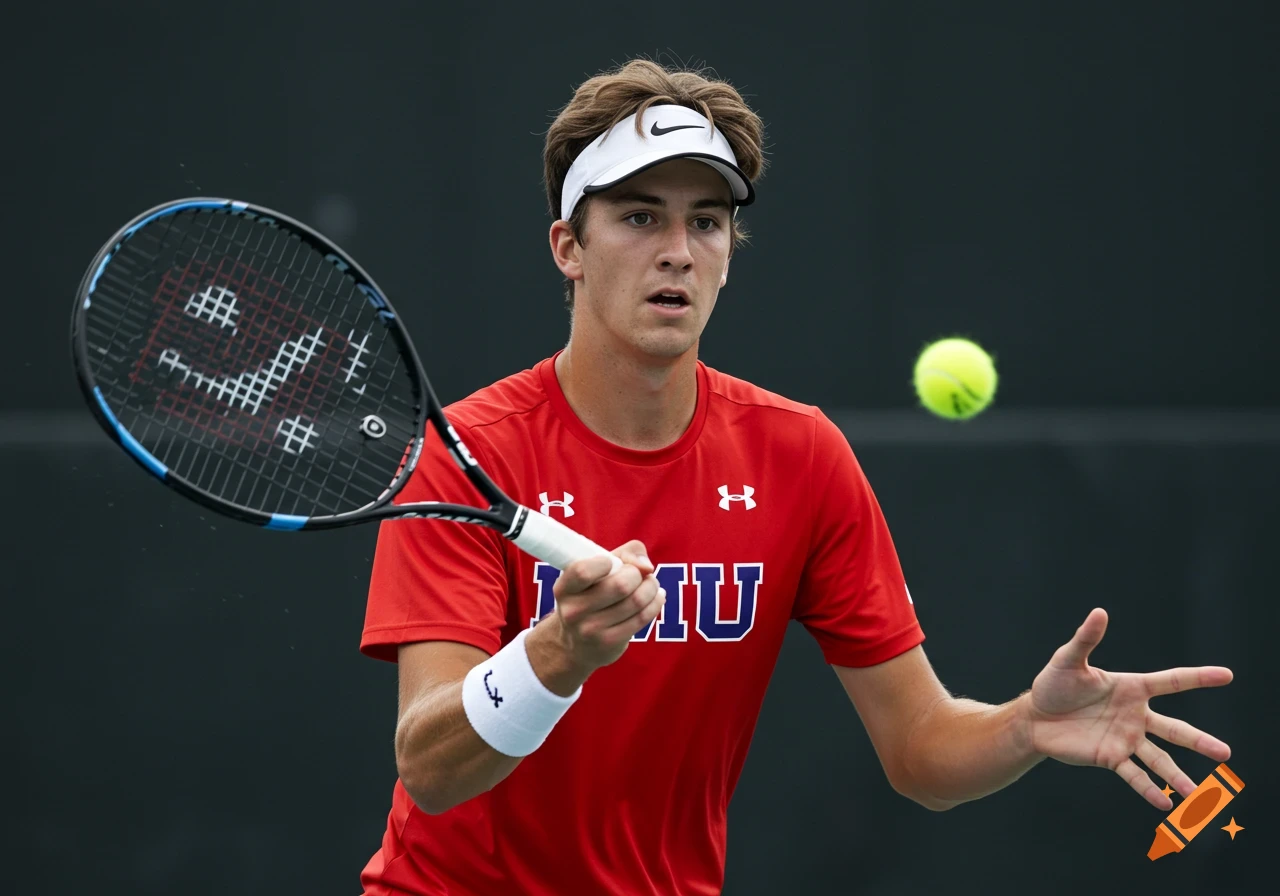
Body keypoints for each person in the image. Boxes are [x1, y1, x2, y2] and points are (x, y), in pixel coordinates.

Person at [357, 59, 1234, 895]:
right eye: (638, 217)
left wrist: (1025, 727)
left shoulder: (800, 455)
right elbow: (431, 771)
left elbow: (921, 752)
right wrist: (560, 652)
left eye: (706, 221)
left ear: (730, 251)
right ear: (567, 246)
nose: (678, 250)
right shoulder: (468, 452)